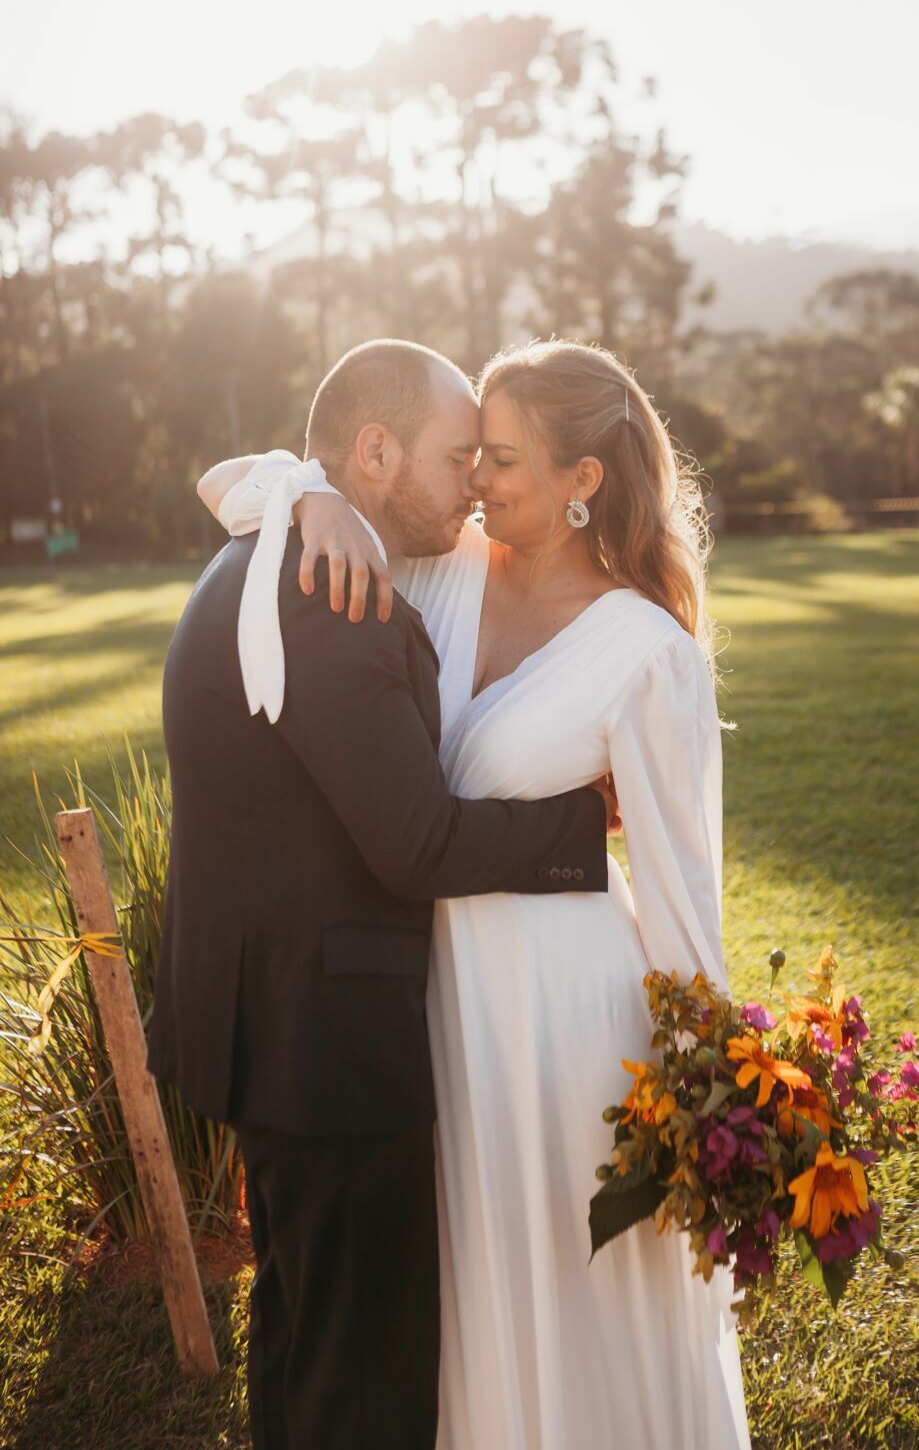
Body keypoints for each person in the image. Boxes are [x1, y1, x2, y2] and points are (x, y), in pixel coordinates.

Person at [200, 338, 751, 1450]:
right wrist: (310, 498)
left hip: (565, 1020)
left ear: (581, 479)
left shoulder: (647, 652)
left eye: (500, 459)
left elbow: (684, 887)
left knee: (566, 1282)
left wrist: (720, 1094)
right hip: (430, 1002)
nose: (475, 482)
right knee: (456, 1300)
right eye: (473, 455)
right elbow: (224, 486)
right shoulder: (434, 564)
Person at [149, 339, 616, 1450]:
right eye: (459, 455)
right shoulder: (334, 593)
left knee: (305, 1326)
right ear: (372, 452)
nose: (474, 481)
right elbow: (414, 844)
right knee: (369, 1374)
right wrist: (576, 824)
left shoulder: (264, 544)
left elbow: (244, 473)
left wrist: (304, 491)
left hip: (269, 1028)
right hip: (332, 1048)